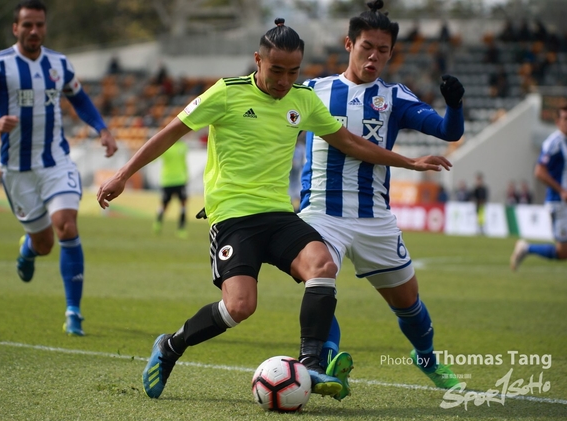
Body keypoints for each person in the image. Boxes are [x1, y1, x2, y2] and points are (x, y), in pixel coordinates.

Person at [96, 18, 451, 400]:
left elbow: (350, 143)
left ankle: (311, 364)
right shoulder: (227, 93)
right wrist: (122, 175)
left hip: (279, 214)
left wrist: (408, 162)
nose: (284, 81)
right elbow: (170, 133)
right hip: (234, 217)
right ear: (258, 61)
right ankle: (170, 346)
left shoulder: (303, 100)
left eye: (293, 72)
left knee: (322, 266)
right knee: (239, 307)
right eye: (276, 70)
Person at [299, 0, 464, 394]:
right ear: (349, 44)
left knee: (408, 302)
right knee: (320, 279)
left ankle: (426, 357)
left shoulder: (394, 97)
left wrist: (455, 104)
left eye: (383, 50)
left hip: (373, 216)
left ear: (391, 53)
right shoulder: (312, 91)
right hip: (320, 212)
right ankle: (324, 363)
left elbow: (448, 131)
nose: (374, 56)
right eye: (367, 47)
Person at [0, 0, 117, 336]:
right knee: (44, 243)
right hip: (17, 169)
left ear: (45, 27)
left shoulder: (58, 64)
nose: (34, 31)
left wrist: (102, 129)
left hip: (56, 161)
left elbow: (79, 99)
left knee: (66, 225)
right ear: (15, 28)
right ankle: (28, 250)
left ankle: (73, 311)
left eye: (39, 25)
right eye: (27, 25)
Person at [510, 105, 567, 270]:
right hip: (559, 203)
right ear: (557, 122)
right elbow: (539, 171)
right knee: (563, 252)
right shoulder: (553, 143)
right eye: (565, 119)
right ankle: (526, 248)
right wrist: (561, 190)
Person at [153, 139, 188, 238]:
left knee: (183, 204)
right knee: (164, 205)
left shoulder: (183, 146)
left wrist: (186, 176)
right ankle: (158, 222)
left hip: (180, 180)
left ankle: (181, 229)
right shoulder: (166, 146)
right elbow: (154, 159)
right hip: (167, 180)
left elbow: (184, 162)